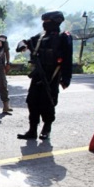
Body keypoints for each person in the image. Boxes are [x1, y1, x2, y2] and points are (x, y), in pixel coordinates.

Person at [15, 11, 73, 140]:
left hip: (53, 75)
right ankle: (32, 130)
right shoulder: (40, 37)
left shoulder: (63, 37)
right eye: (44, 22)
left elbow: (68, 59)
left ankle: (46, 128)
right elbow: (24, 42)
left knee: (48, 102)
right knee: (32, 101)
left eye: (47, 22)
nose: (44, 25)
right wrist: (22, 45)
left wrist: (66, 78)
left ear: (55, 22)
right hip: (38, 74)